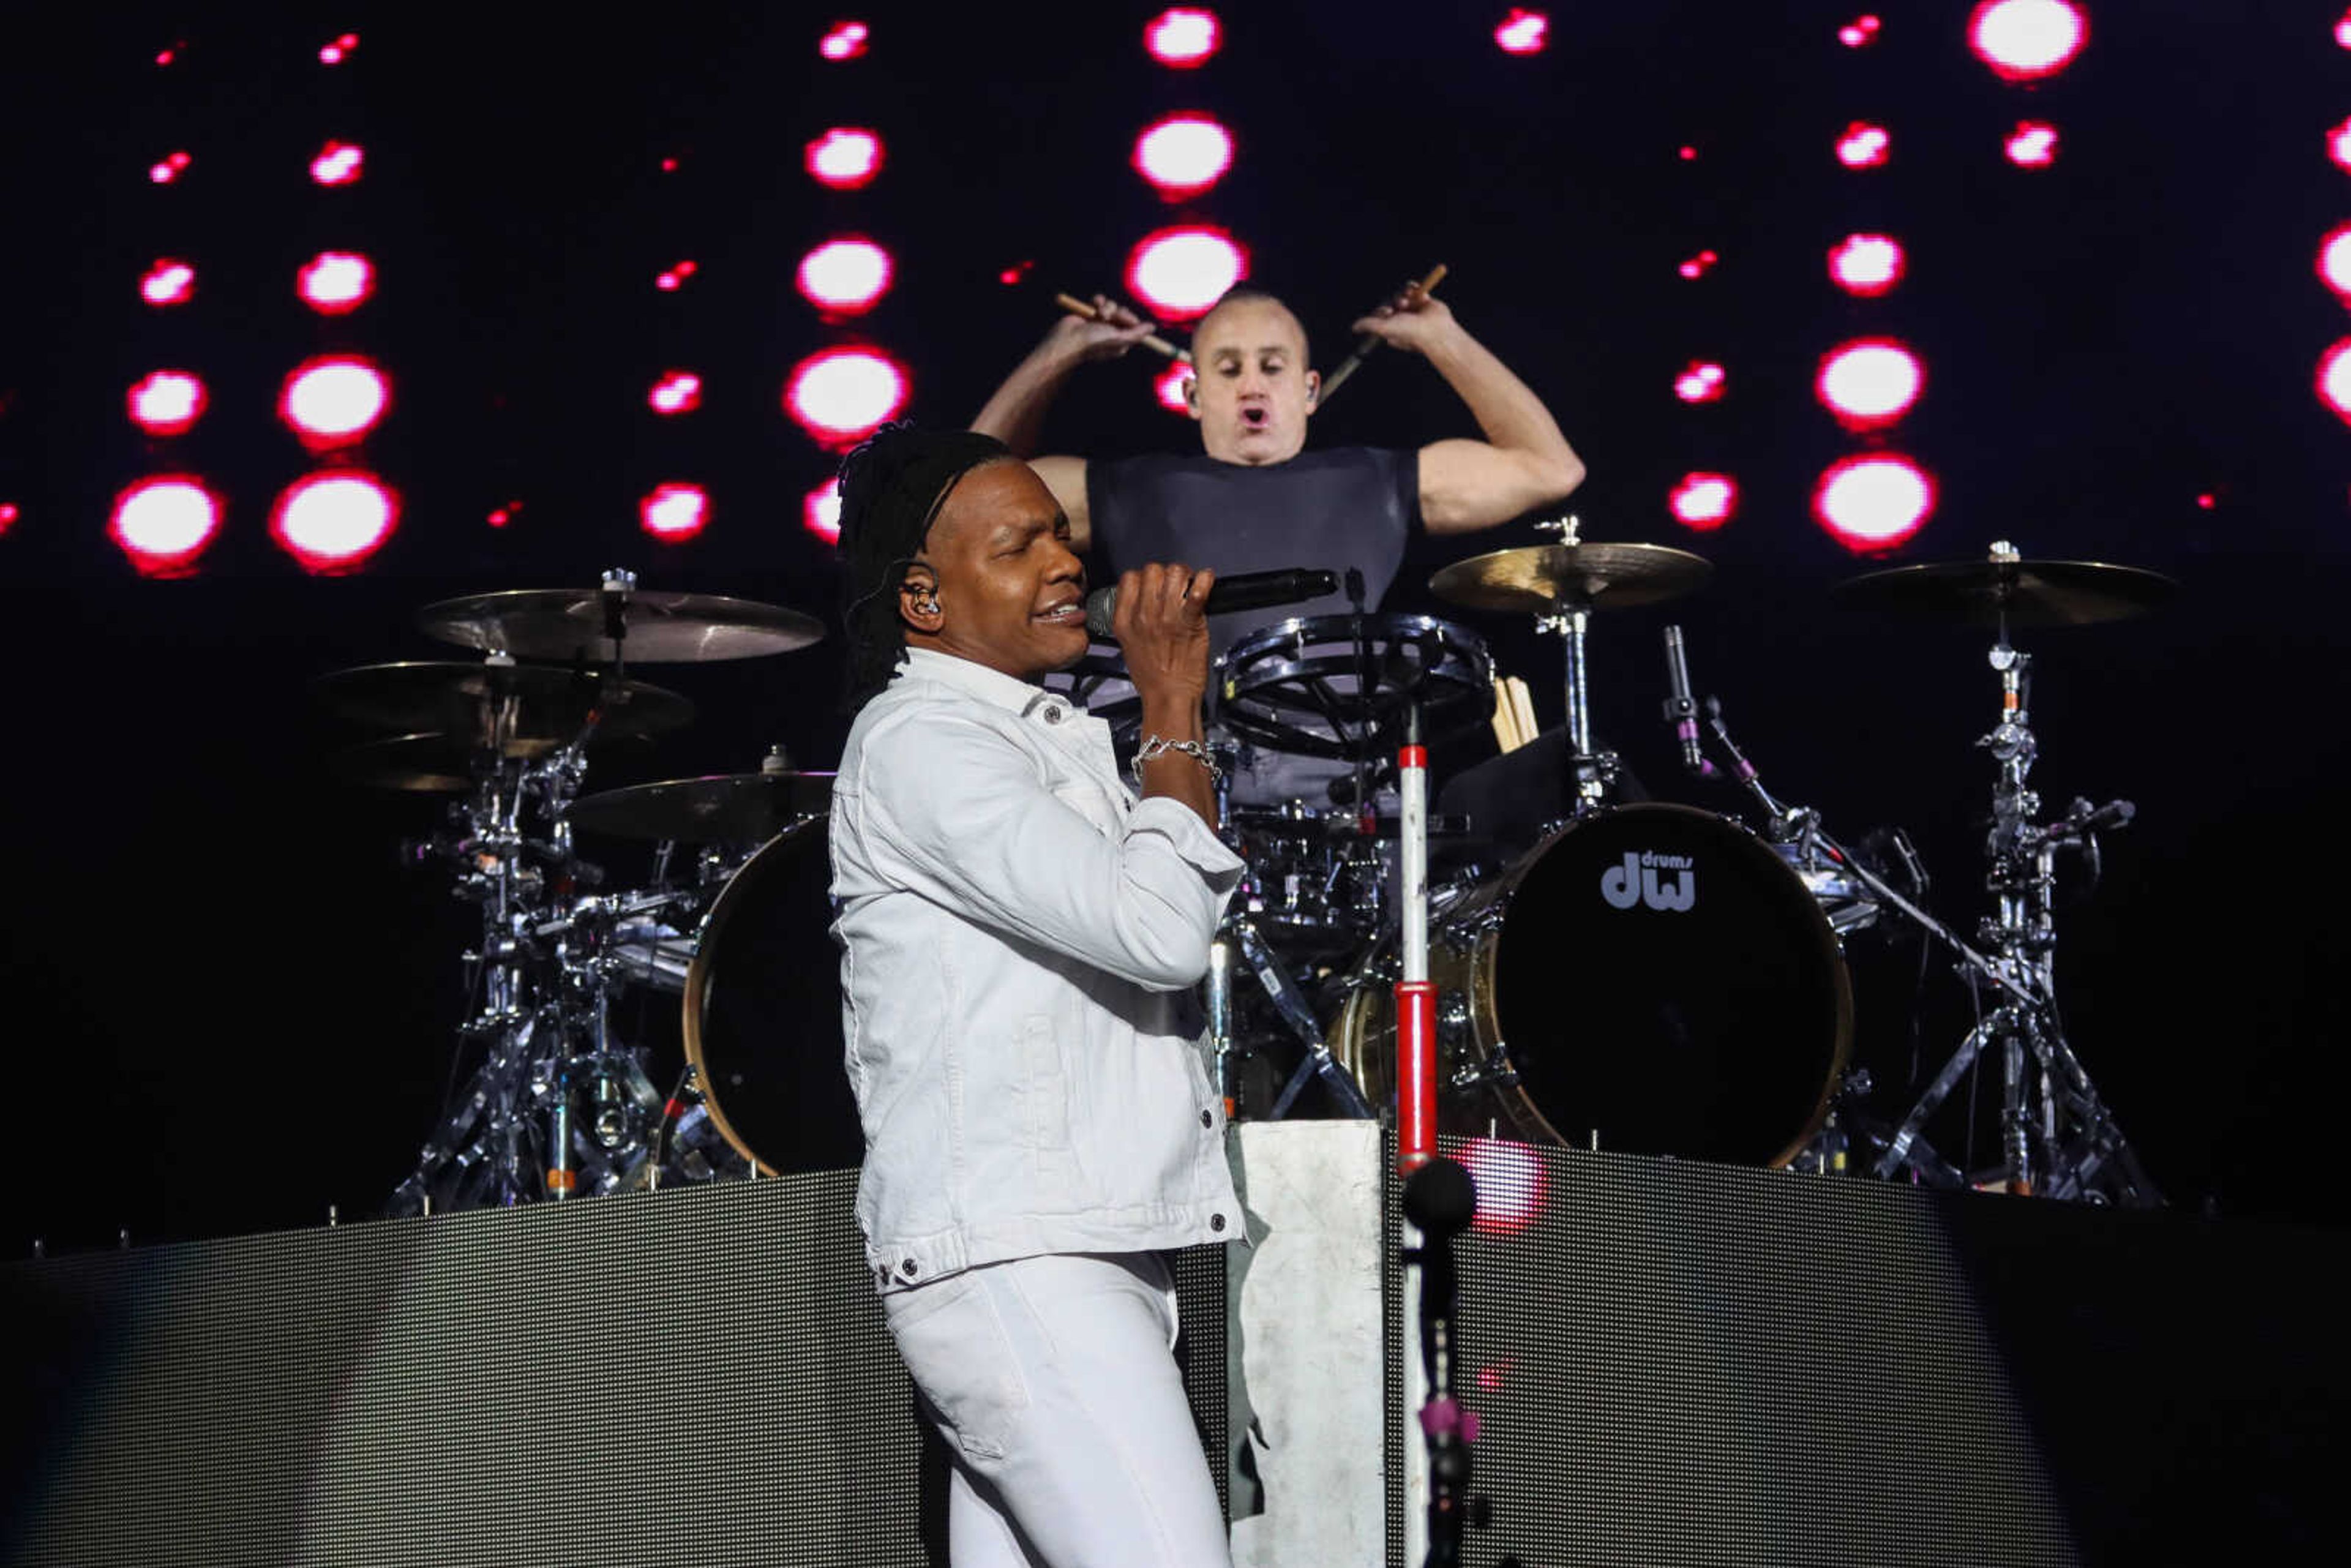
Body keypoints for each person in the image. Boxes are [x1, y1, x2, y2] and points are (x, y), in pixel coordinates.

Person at [828, 421, 1245, 1568]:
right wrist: (1173, 711)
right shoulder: (921, 741)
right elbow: (1158, 933)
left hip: (1074, 1246)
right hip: (1021, 1257)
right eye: (1019, 547)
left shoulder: (1040, 743)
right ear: (924, 599)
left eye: (1062, 535)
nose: (1067, 562)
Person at [972, 283, 1587, 801]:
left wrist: (1442, 339)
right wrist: (1057, 354)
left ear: (1311, 389)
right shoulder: (1129, 485)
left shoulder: (1378, 477)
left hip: (1345, 776)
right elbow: (966, 491)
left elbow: (1549, 468)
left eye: (1272, 366)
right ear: (1192, 394)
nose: (1252, 386)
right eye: (1229, 368)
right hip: (1176, 762)